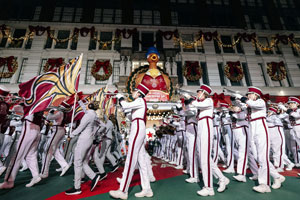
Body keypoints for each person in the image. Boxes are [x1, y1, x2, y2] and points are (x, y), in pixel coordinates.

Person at [109, 84, 153, 199]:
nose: (132, 92)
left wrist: (121, 98)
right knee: (141, 160)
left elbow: (126, 105)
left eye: (134, 91)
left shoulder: (140, 100)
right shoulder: (139, 102)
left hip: (137, 127)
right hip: (137, 126)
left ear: (139, 93)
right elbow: (129, 115)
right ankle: (147, 189)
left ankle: (123, 190)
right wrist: (122, 105)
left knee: (130, 158)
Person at [241, 86, 285, 193]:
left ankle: (264, 184)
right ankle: (277, 176)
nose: (248, 96)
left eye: (250, 94)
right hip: (252, 128)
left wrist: (245, 100)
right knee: (257, 157)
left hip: (261, 129)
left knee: (262, 157)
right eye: (248, 94)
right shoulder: (250, 105)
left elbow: (252, 104)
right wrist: (238, 99)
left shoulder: (260, 102)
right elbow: (242, 108)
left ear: (256, 95)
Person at [65, 102, 101, 195]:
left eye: (87, 104)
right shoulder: (93, 114)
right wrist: (79, 101)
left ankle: (77, 188)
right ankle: (93, 176)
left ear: (90, 106)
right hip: (89, 139)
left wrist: (71, 135)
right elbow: (86, 110)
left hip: (84, 139)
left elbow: (81, 127)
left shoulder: (88, 116)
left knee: (77, 162)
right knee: (83, 162)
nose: (86, 105)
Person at [0, 111, 44, 189]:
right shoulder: (41, 105)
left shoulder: (33, 103)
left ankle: (8, 182)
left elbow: (19, 109)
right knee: (31, 155)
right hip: (37, 129)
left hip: (29, 127)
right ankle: (36, 176)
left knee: (17, 156)